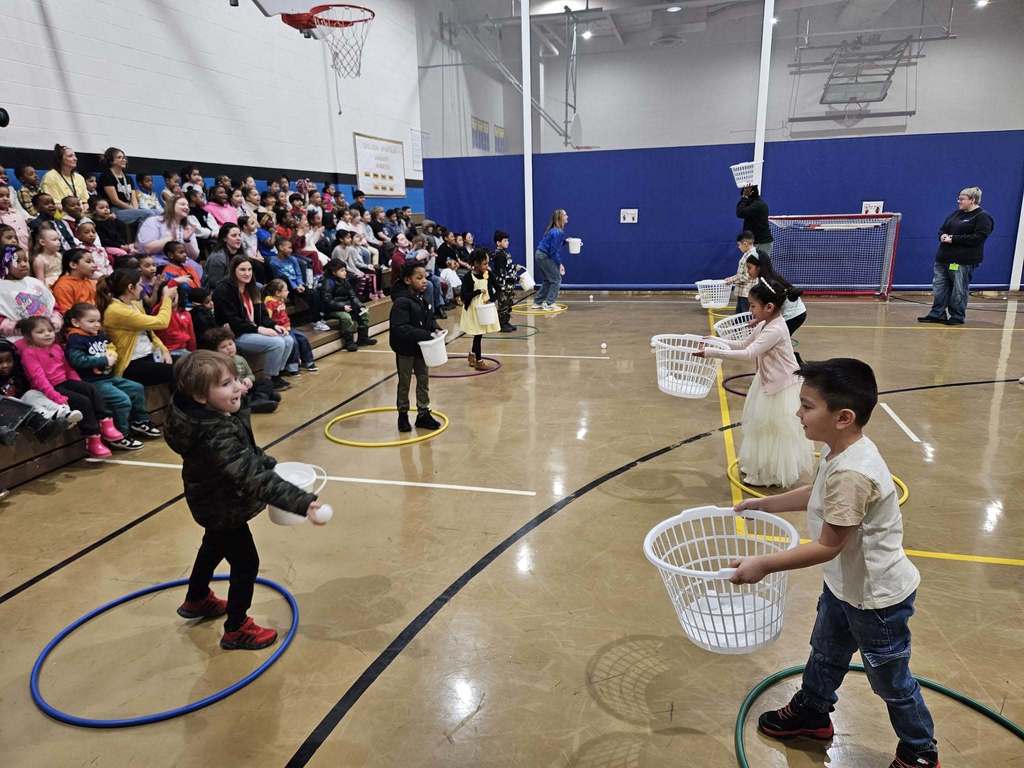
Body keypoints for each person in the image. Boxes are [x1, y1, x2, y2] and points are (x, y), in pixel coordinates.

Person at [731, 358, 939, 768]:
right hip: (845, 587)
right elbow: (818, 492)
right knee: (825, 651)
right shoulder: (841, 453)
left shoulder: (853, 474)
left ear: (843, 417)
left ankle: (919, 750)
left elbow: (828, 545)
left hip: (876, 600)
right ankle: (812, 712)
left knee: (890, 680)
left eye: (807, 406)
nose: (798, 413)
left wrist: (764, 564)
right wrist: (766, 503)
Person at [164, 350, 326, 650]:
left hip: (210, 500)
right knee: (246, 563)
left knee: (213, 545)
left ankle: (197, 598)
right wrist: (301, 501)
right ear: (201, 396)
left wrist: (237, 404)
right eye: (227, 384)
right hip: (223, 505)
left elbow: (245, 451)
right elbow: (250, 474)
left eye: (237, 379)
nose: (238, 387)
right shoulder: (215, 433)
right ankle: (237, 628)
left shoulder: (200, 414)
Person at [698, 279, 813, 487]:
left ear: (769, 307)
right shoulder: (764, 324)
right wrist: (716, 341)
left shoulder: (774, 330)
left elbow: (748, 353)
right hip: (767, 380)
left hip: (781, 387)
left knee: (773, 430)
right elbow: (743, 343)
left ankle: (771, 473)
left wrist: (710, 352)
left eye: (753, 306)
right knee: (760, 428)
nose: (750, 310)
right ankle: (760, 467)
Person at [15, 315, 120, 458]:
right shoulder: (29, 353)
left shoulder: (57, 347)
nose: (47, 334)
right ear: (28, 336)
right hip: (50, 388)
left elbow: (69, 369)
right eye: (40, 332)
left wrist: (80, 383)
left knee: (90, 389)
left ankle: (106, 422)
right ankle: (92, 438)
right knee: (82, 401)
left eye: (50, 330)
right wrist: (56, 397)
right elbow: (39, 379)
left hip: (64, 382)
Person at [64, 302, 156, 449]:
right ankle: (120, 435)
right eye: (91, 321)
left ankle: (140, 421)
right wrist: (104, 360)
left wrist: (112, 352)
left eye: (98, 321)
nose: (96, 325)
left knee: (136, 388)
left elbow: (110, 346)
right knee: (122, 400)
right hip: (93, 382)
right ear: (75, 322)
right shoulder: (76, 339)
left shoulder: (99, 334)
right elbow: (77, 360)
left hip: (109, 377)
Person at [212, 255, 294, 391]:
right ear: (233, 271)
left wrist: (274, 325)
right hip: (236, 334)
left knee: (288, 339)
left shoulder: (253, 288)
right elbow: (234, 321)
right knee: (277, 343)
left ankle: (276, 374)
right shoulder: (223, 290)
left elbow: (262, 315)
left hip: (253, 330)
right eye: (242, 270)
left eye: (249, 269)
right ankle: (269, 380)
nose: (247, 273)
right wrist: (258, 329)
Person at [918, 186, 994, 326]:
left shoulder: (982, 217)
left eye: (962, 199)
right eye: (958, 198)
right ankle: (937, 314)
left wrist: (954, 239)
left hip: (962, 261)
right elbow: (943, 229)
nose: (958, 201)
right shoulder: (956, 214)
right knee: (939, 288)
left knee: (958, 289)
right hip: (943, 259)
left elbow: (978, 237)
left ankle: (957, 316)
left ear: (972, 200)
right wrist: (942, 235)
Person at [96, 269, 176, 386]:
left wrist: (164, 350)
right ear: (130, 288)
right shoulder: (116, 310)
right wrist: (167, 298)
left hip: (150, 354)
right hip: (131, 363)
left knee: (188, 363)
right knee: (180, 371)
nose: (142, 288)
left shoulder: (134, 304)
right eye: (139, 284)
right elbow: (161, 322)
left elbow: (151, 333)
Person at [389, 263, 442, 434]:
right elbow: (400, 328)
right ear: (407, 280)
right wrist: (426, 335)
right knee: (405, 382)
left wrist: (435, 327)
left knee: (423, 379)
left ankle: (423, 414)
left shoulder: (422, 298)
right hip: (405, 349)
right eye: (419, 278)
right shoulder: (401, 302)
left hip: (421, 348)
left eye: (425, 277)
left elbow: (429, 318)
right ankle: (403, 414)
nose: (424, 281)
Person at [0, 337, 82, 444]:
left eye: (8, 360)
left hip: (24, 408)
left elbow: (28, 394)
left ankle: (62, 414)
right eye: (0, 362)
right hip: (9, 416)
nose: (5, 365)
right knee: (11, 401)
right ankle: (45, 422)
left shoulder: (17, 373)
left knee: (32, 394)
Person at [199, 326, 279, 414]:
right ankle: (257, 401)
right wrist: (238, 388)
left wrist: (248, 379)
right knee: (237, 400)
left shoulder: (240, 359)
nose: (229, 348)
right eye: (223, 347)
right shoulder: (217, 366)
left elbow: (250, 374)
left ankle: (258, 399)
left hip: (246, 388)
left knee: (266, 382)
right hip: (234, 392)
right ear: (214, 351)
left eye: (231, 344)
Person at [0, 249, 62, 342]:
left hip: (48, 334)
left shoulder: (34, 282)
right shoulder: (2, 287)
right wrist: (20, 326)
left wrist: (55, 321)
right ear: (4, 263)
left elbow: (52, 305)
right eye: (17, 261)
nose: (24, 264)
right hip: (18, 339)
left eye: (25, 260)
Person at [745, 251, 806, 339]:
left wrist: (758, 320)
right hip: (796, 313)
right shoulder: (769, 278)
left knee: (774, 341)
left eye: (749, 268)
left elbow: (772, 307)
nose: (748, 271)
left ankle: (791, 353)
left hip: (793, 316)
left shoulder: (767, 283)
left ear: (758, 267)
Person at [319, 259, 375, 352]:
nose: (345, 272)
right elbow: (327, 301)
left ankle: (363, 339)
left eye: (345, 270)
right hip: (332, 310)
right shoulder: (328, 282)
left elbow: (353, 296)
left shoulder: (345, 281)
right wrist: (342, 307)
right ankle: (349, 342)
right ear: (333, 272)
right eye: (342, 270)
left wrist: (360, 305)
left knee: (363, 313)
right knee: (346, 317)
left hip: (347, 306)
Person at [136, 193, 201, 271]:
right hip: (158, 262)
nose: (187, 207)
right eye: (182, 204)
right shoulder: (154, 221)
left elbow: (194, 256)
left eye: (187, 206)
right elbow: (147, 249)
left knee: (197, 269)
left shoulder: (187, 228)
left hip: (183, 263)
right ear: (172, 205)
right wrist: (170, 238)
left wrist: (187, 240)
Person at [264, 279, 317, 373]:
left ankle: (308, 361)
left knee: (303, 338)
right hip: (279, 329)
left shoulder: (281, 300)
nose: (288, 292)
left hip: (288, 327)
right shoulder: (269, 303)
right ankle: (292, 366)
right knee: (293, 342)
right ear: (277, 292)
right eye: (285, 290)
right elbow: (268, 318)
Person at [460, 249, 501, 370]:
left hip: (485, 309)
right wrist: (477, 292)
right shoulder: (468, 277)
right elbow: (464, 296)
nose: (487, 266)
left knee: (480, 333)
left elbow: (498, 289)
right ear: (476, 263)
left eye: (487, 263)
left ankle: (472, 355)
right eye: (484, 263)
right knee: (478, 334)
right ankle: (479, 360)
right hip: (473, 310)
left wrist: (491, 299)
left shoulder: (488, 274)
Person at [97, 147, 157, 226]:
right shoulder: (107, 176)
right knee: (149, 213)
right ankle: (142, 237)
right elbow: (115, 201)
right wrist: (133, 209)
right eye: (119, 157)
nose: (124, 160)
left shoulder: (128, 178)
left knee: (158, 212)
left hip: (130, 208)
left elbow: (133, 198)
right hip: (115, 210)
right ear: (111, 161)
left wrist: (135, 209)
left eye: (124, 157)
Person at [533, 209, 569, 311]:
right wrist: (560, 264)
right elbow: (553, 252)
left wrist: (565, 242)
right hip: (545, 256)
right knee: (556, 279)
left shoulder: (554, 230)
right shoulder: (558, 232)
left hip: (540, 254)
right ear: (560, 218)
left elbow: (552, 245)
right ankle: (549, 303)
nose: (567, 217)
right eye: (565, 215)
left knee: (548, 280)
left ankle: (537, 302)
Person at [153, 288, 196, 359]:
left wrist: (193, 352)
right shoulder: (158, 312)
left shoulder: (186, 314)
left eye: (173, 294)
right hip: (166, 351)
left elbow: (191, 337)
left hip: (184, 351)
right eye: (167, 295)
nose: (171, 297)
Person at [52, 248, 97, 313]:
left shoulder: (92, 282)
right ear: (73, 265)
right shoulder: (63, 286)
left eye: (93, 262)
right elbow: (66, 312)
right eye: (88, 262)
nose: (94, 266)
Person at [723, 231, 757, 314]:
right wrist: (731, 278)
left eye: (739, 245)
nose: (739, 247)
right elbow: (742, 274)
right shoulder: (747, 254)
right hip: (743, 292)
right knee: (739, 315)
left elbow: (746, 276)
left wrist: (731, 280)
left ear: (745, 243)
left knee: (744, 316)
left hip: (747, 293)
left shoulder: (751, 256)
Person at [491, 229, 518, 333]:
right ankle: (501, 324)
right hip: (503, 285)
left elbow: (508, 267)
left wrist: (515, 268)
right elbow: (502, 272)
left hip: (509, 284)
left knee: (508, 303)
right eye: (505, 240)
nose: (507, 242)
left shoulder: (505, 253)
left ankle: (506, 321)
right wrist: (515, 278)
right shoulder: (499, 255)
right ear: (498, 243)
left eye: (507, 240)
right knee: (503, 303)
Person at [204, 223, 246, 289]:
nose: (238, 238)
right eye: (234, 236)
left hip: (237, 285)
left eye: (239, 235)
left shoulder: (241, 252)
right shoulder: (217, 258)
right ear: (224, 238)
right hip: (220, 291)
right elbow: (215, 283)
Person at [162, 240, 202, 307]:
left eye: (185, 252)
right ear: (171, 255)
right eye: (181, 252)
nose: (185, 254)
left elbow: (198, 285)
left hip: (197, 299)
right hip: (182, 305)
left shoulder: (190, 268)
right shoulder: (168, 272)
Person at [736, 185, 772, 255]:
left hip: (762, 243)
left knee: (761, 265)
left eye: (745, 194)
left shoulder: (758, 205)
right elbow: (739, 210)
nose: (743, 197)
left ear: (750, 193)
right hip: (755, 242)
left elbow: (740, 213)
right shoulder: (752, 203)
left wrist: (744, 197)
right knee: (751, 265)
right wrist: (744, 198)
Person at [0, 185, 30, 251]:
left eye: (8, 196)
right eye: (1, 196)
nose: (5, 198)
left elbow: (27, 231)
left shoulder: (17, 212)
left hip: (28, 249)